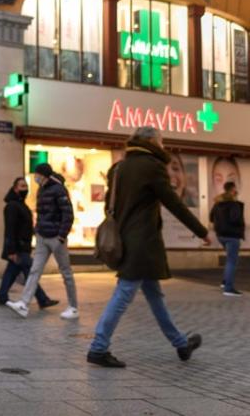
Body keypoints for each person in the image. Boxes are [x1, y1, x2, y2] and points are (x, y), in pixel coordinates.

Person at [87, 126, 210, 368]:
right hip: (142, 243)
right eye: (161, 141)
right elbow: (174, 203)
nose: (163, 146)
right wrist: (201, 231)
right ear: (152, 141)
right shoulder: (152, 167)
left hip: (126, 239)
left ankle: (181, 344)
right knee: (123, 294)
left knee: (155, 296)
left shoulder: (119, 167)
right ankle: (98, 347)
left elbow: (109, 207)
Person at [5, 163, 79, 320]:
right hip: (42, 238)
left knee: (65, 272)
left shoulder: (59, 190)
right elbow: (41, 214)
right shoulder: (41, 190)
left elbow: (68, 214)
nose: (35, 178)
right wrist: (38, 231)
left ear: (43, 175)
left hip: (56, 238)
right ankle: (24, 304)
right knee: (34, 270)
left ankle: (73, 307)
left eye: (37, 175)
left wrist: (61, 236)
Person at [0, 177, 57, 309]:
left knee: (11, 272)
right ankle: (42, 299)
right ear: (15, 188)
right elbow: (10, 229)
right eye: (22, 186)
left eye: (26, 186)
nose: (25, 189)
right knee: (31, 272)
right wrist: (11, 250)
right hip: (19, 247)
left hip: (23, 246)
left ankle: (2, 296)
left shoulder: (21, 205)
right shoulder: (12, 206)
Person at [210, 181, 245, 297]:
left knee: (230, 259)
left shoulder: (217, 203)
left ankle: (225, 282)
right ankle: (228, 288)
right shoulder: (234, 204)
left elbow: (211, 218)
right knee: (232, 261)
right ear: (233, 189)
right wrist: (241, 224)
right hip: (232, 236)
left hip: (221, 235)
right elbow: (235, 219)